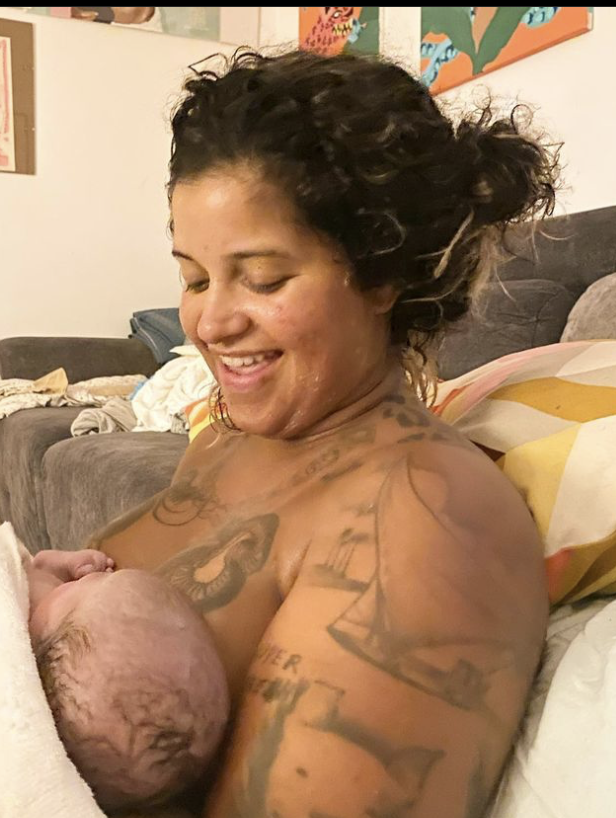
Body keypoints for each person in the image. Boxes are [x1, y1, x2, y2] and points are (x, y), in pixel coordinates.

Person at [37, 48, 558, 817]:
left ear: (383, 275)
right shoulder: (225, 440)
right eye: (194, 277)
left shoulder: (424, 520)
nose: (211, 322)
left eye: (263, 279)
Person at [0, 550, 230, 814]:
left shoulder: (12, 639)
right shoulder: (57, 646)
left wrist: (46, 566)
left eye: (86, 586)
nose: (88, 575)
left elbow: (10, 570)